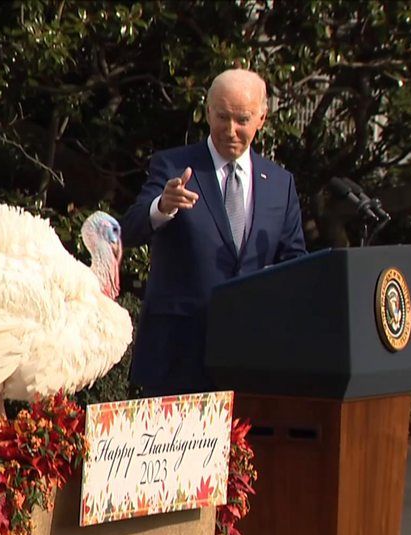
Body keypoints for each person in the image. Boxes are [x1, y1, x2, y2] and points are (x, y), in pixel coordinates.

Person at [121, 68, 307, 398]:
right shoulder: (173, 166)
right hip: (178, 354)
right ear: (208, 112)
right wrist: (162, 206)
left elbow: (295, 262)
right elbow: (131, 229)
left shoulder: (280, 184)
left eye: (242, 119)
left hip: (251, 356)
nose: (231, 130)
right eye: (222, 116)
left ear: (261, 118)